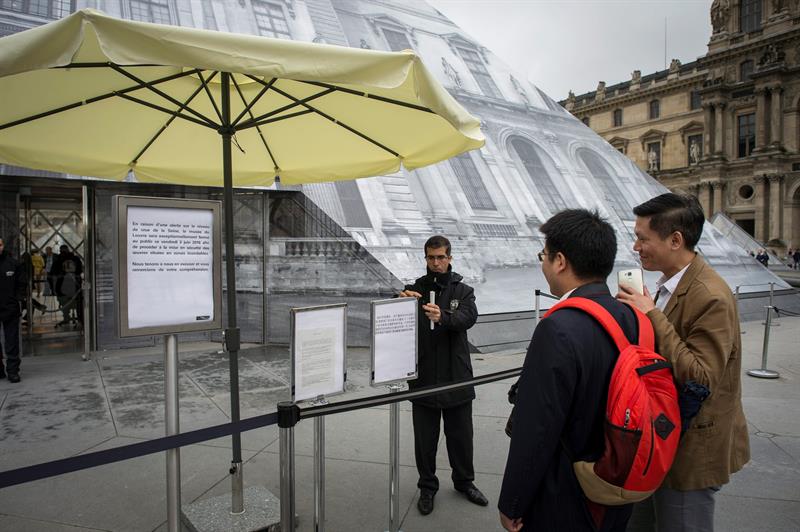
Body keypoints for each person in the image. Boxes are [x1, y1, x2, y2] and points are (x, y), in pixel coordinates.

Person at [618, 193, 750, 532]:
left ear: (675, 240)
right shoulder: (667, 286)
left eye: (643, 238)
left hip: (691, 449)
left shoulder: (711, 295)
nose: (636, 247)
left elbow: (702, 377)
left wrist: (652, 316)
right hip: (660, 437)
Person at [498, 209, 637, 532]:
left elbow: (537, 428)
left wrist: (513, 502)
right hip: (618, 481)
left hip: (566, 493)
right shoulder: (633, 316)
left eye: (544, 256)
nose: (543, 264)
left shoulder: (558, 327)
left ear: (560, 261)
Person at [398, 235, 486, 516]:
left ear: (450, 258)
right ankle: (427, 486)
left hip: (456, 375)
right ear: (425, 259)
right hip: (424, 376)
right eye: (430, 258)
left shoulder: (463, 290)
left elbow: (469, 318)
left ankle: (464, 482)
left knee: (461, 436)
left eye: (440, 257)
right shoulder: (415, 289)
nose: (435, 263)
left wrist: (443, 317)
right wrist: (400, 300)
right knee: (425, 439)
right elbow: (395, 317)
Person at [0, 237, 25, 383]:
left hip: (10, 308)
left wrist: (18, 299)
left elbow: (21, 284)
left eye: (0, 244)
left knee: (11, 341)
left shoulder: (13, 264)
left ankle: (13, 371)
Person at [51, 244, 83, 326]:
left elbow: (53, 272)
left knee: (64, 302)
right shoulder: (75, 259)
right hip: (75, 286)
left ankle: (66, 317)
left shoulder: (58, 260)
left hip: (62, 287)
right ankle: (80, 317)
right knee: (77, 302)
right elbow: (80, 270)